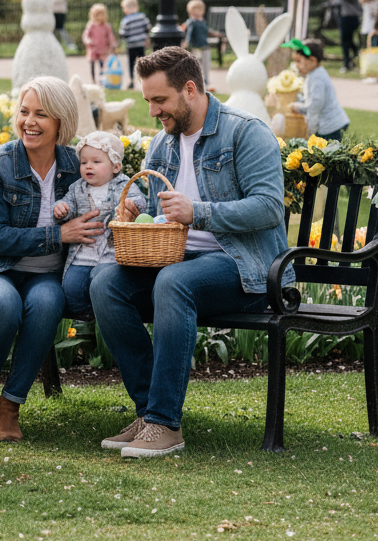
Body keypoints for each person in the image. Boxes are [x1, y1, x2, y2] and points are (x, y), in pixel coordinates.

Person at [89, 47, 291, 458]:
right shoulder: (162, 145)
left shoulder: (245, 132)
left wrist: (198, 213)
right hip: (176, 259)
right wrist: (135, 210)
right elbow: (154, 209)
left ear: (191, 89)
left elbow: (269, 206)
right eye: (147, 100)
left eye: (159, 100)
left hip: (246, 267)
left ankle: (166, 424)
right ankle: (149, 413)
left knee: (174, 282)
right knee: (106, 283)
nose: (152, 112)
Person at [0, 76, 104, 444]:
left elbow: (114, 185)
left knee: (48, 302)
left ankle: (10, 406)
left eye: (41, 114)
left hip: (46, 276)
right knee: (3, 305)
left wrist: (132, 205)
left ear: (61, 123)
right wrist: (59, 235)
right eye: (24, 112)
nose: (29, 122)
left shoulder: (76, 164)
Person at [52, 131, 144, 317]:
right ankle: (86, 319)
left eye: (96, 162)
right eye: (84, 162)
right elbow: (68, 202)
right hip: (82, 254)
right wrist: (61, 207)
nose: (88, 166)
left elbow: (139, 201)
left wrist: (131, 206)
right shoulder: (77, 188)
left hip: (111, 256)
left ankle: (104, 315)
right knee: (71, 287)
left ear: (116, 166)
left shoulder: (123, 185)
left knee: (100, 279)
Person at [282, 37, 349, 140]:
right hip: (331, 124)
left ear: (312, 61)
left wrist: (310, 134)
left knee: (327, 152)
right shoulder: (313, 75)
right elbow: (310, 99)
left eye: (299, 61)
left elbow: (315, 106)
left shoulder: (317, 78)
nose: (296, 65)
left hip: (330, 127)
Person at [329, 0, 362, 72]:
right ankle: (347, 62)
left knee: (348, 38)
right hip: (342, 14)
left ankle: (355, 55)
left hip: (352, 15)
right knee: (345, 39)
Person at [118, 0, 151, 90]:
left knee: (131, 63)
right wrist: (145, 37)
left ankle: (132, 81)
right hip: (141, 44)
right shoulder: (142, 16)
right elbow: (148, 27)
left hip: (131, 45)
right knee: (143, 62)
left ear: (127, 8)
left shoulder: (126, 20)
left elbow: (123, 33)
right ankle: (145, 79)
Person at [82, 3, 116, 85]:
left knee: (103, 66)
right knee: (92, 65)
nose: (99, 16)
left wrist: (112, 44)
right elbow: (85, 35)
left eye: (101, 14)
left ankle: (102, 80)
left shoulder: (106, 26)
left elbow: (110, 36)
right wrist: (88, 41)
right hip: (93, 49)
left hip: (103, 49)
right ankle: (93, 81)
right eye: (97, 14)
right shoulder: (91, 26)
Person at [182, 0, 211, 90]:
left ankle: (206, 81)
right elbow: (189, 33)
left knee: (206, 65)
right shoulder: (191, 22)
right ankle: (198, 82)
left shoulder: (203, 21)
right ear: (190, 11)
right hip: (196, 47)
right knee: (197, 65)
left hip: (205, 46)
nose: (196, 12)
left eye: (199, 9)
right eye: (194, 9)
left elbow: (207, 31)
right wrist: (187, 42)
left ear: (202, 11)